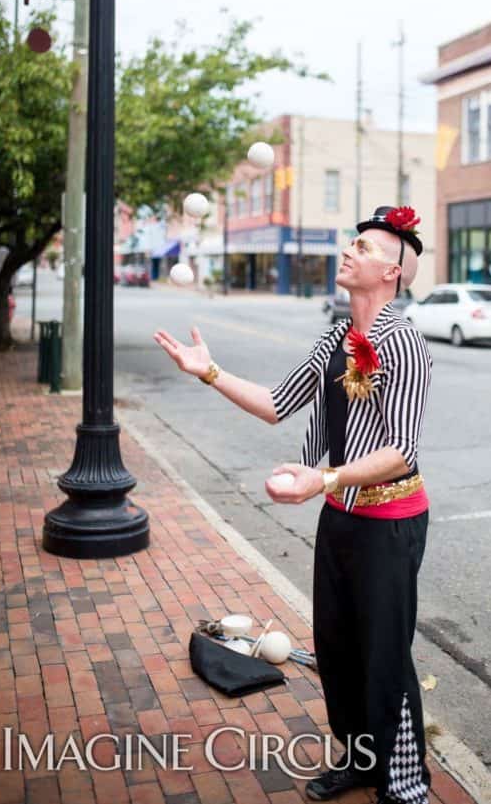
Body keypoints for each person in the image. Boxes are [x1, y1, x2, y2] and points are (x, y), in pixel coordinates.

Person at [153, 205, 433, 804]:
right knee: (335, 649)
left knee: (384, 657)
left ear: (392, 272)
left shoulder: (405, 343)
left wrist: (322, 479)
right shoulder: (336, 337)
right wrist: (209, 372)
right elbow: (278, 402)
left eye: (364, 246)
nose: (350, 251)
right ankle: (360, 759)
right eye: (351, 243)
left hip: (390, 521)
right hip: (341, 515)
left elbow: (402, 451)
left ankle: (404, 783)